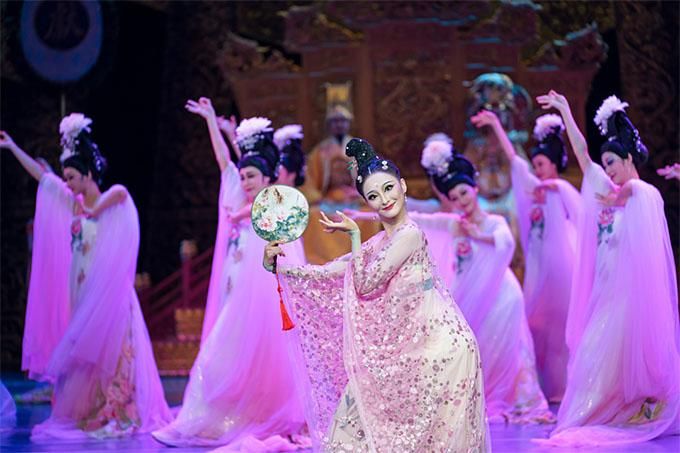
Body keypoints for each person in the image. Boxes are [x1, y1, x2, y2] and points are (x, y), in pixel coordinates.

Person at [265, 138, 489, 452]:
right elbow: (336, 271)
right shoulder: (382, 242)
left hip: (440, 349)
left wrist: (355, 236)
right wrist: (282, 267)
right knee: (357, 420)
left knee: (432, 439)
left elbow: (365, 283)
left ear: (403, 186)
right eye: (373, 195)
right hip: (405, 346)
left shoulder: (409, 235)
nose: (383, 199)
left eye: (388, 188)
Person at [0, 114, 171, 439]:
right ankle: (90, 409)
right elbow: (43, 177)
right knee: (84, 356)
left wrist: (92, 210)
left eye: (72, 177)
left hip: (109, 295)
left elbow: (118, 194)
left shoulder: (112, 201)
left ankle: (117, 408)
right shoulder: (73, 203)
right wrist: (12, 148)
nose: (67, 184)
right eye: (66, 178)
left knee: (114, 355)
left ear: (89, 174)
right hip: (81, 294)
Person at [151, 98, 307, 449]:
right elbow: (225, 162)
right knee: (226, 353)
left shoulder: (275, 202)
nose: (245, 181)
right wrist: (211, 121)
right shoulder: (241, 192)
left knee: (245, 351)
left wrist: (244, 212)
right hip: (235, 283)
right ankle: (222, 414)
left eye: (251, 177)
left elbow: (267, 208)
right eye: (243, 176)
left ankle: (259, 414)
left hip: (260, 292)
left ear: (267, 177)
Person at [534, 91, 679, 447]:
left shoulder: (644, 194)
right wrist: (566, 110)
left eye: (613, 162)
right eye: (605, 164)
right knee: (592, 356)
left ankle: (619, 413)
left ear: (628, 158)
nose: (608, 169)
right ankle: (591, 415)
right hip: (604, 292)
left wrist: (619, 195)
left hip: (629, 298)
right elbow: (582, 154)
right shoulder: (605, 189)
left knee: (606, 356)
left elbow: (635, 192)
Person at [471, 110, 581, 402]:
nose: (538, 170)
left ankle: (567, 387)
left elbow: (584, 217)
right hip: (539, 266)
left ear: (555, 164)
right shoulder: (535, 191)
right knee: (538, 324)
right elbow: (515, 162)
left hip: (562, 266)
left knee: (561, 327)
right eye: (536, 165)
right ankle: (546, 386)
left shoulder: (560, 189)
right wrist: (496, 125)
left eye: (542, 164)